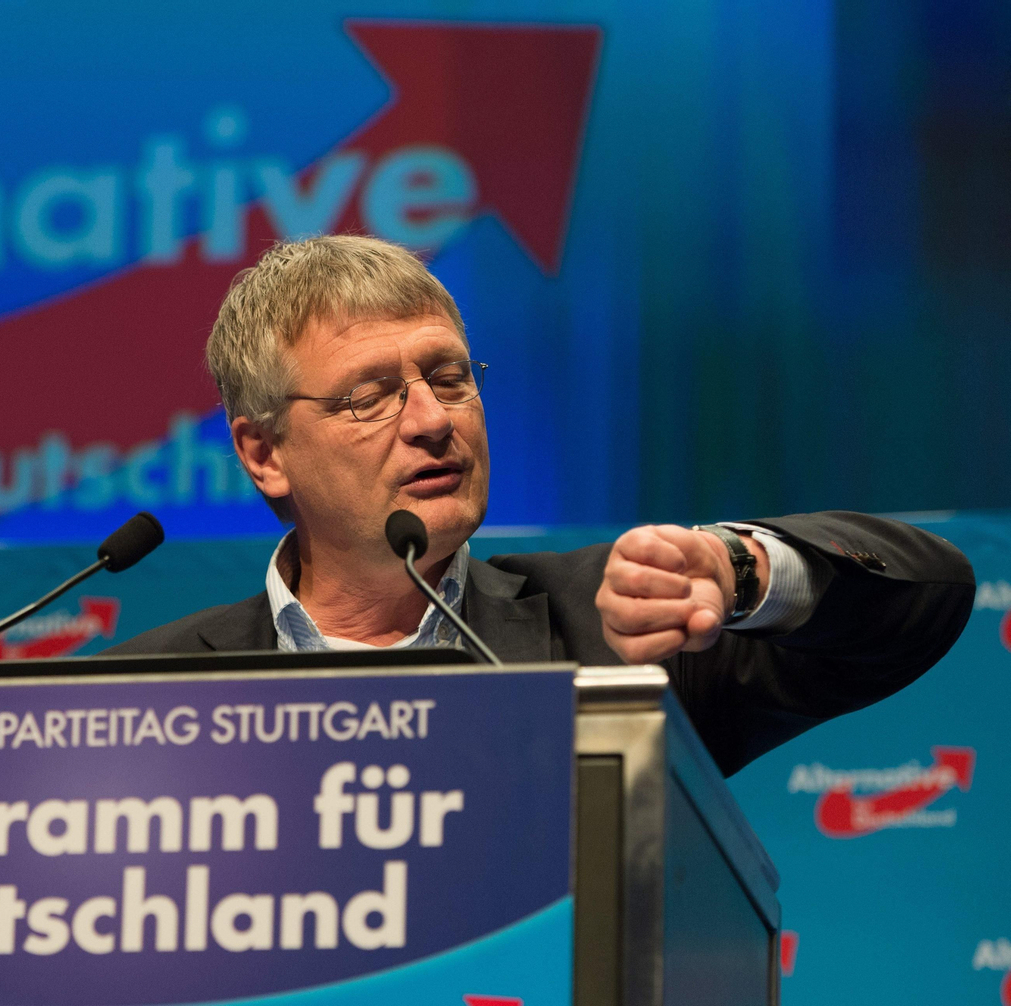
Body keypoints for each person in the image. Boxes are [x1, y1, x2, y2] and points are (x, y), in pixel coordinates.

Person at [108, 235, 974, 776]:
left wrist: (738, 571)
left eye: (448, 377)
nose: (433, 420)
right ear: (263, 453)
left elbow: (928, 599)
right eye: (371, 395)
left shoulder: (620, 627)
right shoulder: (137, 694)